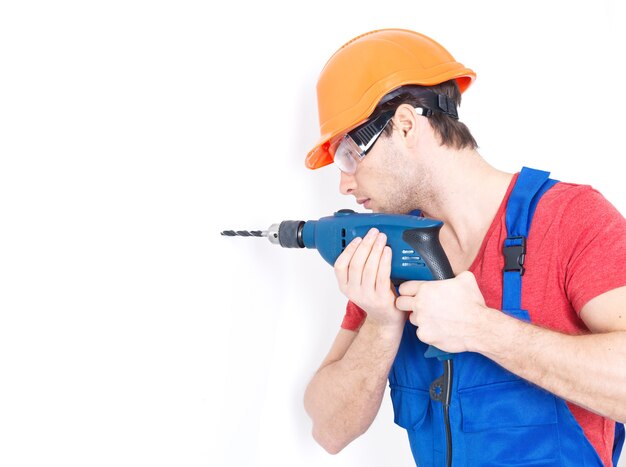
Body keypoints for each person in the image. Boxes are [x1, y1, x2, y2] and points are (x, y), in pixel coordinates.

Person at [302, 28, 626, 467]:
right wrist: (381, 324)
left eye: (349, 155)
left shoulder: (570, 218)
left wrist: (481, 328)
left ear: (405, 125)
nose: (343, 183)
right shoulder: (392, 253)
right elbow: (329, 430)